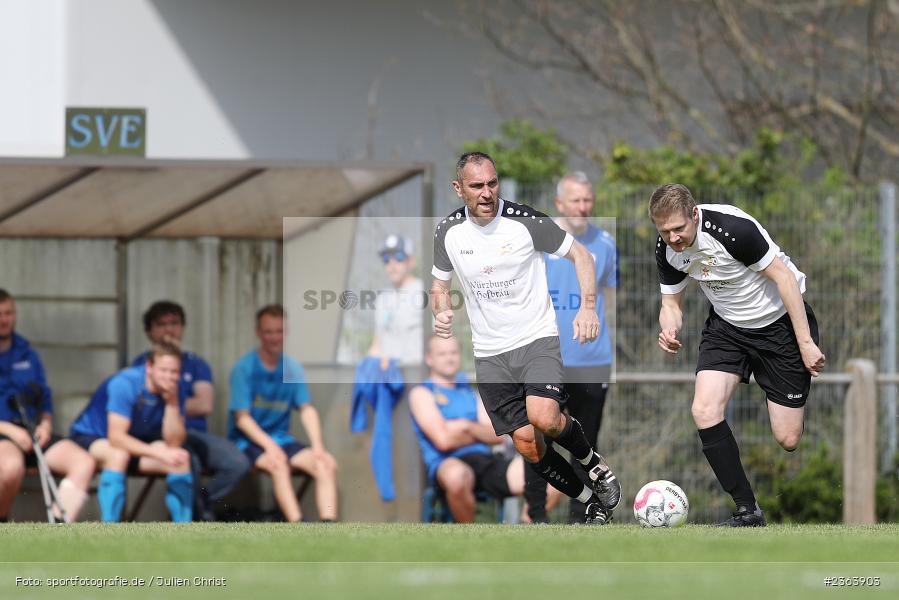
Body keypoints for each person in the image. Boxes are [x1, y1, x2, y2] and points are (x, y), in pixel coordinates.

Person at [430, 151, 621, 525]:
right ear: (458, 188)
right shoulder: (447, 231)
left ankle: (594, 466)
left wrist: (587, 308)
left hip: (537, 339)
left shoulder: (525, 220)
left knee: (545, 418)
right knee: (527, 445)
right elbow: (439, 283)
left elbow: (583, 256)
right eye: (476, 186)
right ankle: (589, 499)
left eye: (492, 183)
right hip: (489, 353)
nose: (487, 192)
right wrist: (441, 310)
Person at [650, 183, 825, 527]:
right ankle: (748, 510)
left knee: (787, 438)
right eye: (664, 231)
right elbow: (671, 302)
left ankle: (776, 385)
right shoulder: (668, 249)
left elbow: (786, 279)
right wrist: (670, 328)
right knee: (703, 409)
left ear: (694, 215)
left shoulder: (733, 230)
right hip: (727, 328)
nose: (673, 237)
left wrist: (805, 342)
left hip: (779, 327)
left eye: (679, 229)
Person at [410, 335, 561, 523]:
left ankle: (525, 528)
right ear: (430, 359)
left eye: (453, 352)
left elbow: (496, 435)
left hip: (485, 461)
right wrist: (477, 432)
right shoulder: (422, 393)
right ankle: (471, 538)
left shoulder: (470, 393)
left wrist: (465, 428)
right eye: (442, 354)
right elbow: (443, 440)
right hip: (448, 462)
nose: (449, 358)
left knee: (554, 477)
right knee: (457, 476)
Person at [540, 171, 619, 524]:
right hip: (546, 359)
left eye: (588, 200)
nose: (583, 207)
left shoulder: (605, 242)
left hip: (592, 360)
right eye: (575, 200)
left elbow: (609, 299)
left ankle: (584, 518)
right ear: (559, 204)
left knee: (586, 444)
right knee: (537, 440)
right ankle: (534, 516)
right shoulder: (541, 242)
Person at [133, 301, 250, 521]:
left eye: (175, 323)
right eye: (162, 324)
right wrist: (172, 408)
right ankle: (198, 518)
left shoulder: (197, 364)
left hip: (194, 433)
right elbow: (139, 410)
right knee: (186, 461)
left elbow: (204, 405)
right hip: (157, 434)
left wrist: (170, 403)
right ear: (150, 332)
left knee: (238, 463)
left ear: (183, 328)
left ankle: (202, 501)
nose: (169, 329)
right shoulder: (140, 365)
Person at [228, 304, 338, 522]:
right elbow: (242, 419)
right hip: (248, 442)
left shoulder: (293, 368)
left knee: (325, 463)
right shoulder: (244, 368)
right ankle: (297, 525)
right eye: (268, 332)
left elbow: (307, 409)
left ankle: (329, 525)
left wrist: (318, 446)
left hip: (280, 439)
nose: (274, 337)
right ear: (258, 333)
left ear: (285, 332)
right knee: (278, 463)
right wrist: (270, 447)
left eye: (279, 331)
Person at [70, 340, 194, 522]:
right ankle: (110, 528)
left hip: (134, 443)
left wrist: (172, 404)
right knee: (118, 455)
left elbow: (174, 442)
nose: (169, 377)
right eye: (164, 370)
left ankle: (185, 528)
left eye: (174, 372)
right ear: (149, 367)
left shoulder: (176, 389)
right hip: (92, 438)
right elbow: (117, 438)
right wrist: (156, 452)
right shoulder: (126, 383)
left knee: (179, 457)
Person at [0, 289, 95, 522]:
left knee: (83, 462)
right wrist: (10, 430)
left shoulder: (28, 353)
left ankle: (57, 529)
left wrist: (46, 423)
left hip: (32, 433)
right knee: (11, 467)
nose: (4, 319)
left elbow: (44, 395)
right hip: (4, 435)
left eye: (8, 313)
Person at [367, 234, 425, 367]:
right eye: (386, 259)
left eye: (399, 257)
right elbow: (377, 343)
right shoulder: (382, 298)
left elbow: (439, 342)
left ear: (411, 261)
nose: (392, 264)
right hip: (387, 378)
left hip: (416, 376)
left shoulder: (425, 292)